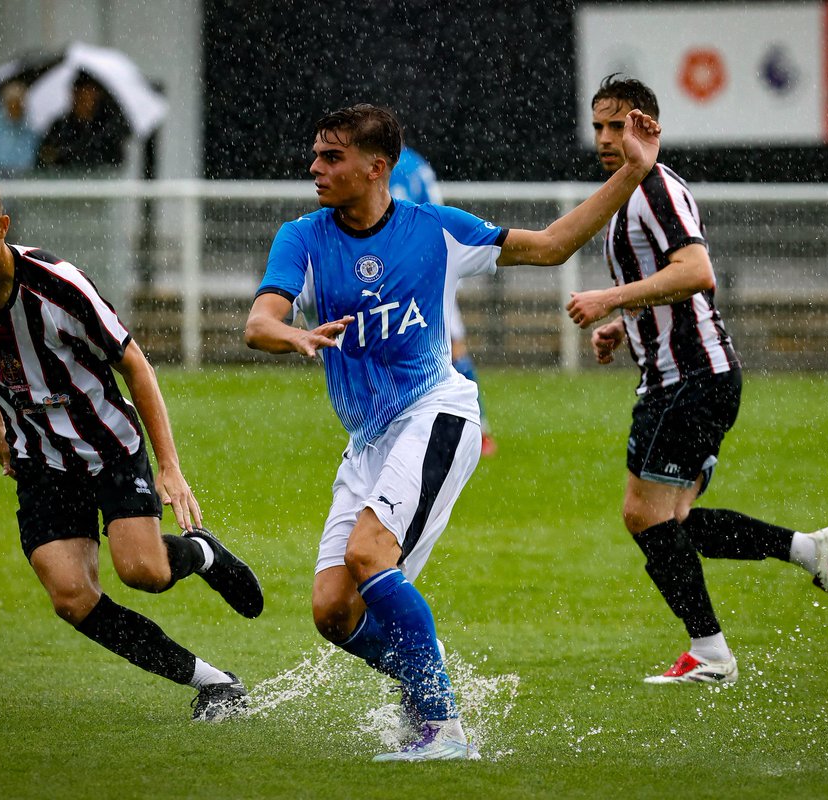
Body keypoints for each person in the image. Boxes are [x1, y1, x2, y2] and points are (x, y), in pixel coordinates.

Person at [244, 103, 660, 760]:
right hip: (368, 442)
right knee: (333, 610)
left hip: (438, 413)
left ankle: (441, 728)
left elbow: (551, 246)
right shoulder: (302, 237)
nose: (315, 168)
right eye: (316, 154)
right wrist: (290, 331)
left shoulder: (437, 230)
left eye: (332, 157)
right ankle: (424, 664)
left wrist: (632, 173)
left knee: (369, 555)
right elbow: (259, 320)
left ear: (376, 167)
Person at [0, 171, 264, 721]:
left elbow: (135, 364)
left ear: (1, 227)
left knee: (143, 573)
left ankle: (200, 552)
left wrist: (170, 468)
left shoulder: (60, 286)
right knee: (73, 598)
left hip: (108, 446)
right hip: (40, 458)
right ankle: (216, 684)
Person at [565, 75, 828, 686]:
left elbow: (699, 272)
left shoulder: (656, 189)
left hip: (691, 378)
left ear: (646, 125)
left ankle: (711, 653)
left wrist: (608, 300)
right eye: (598, 125)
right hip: (684, 377)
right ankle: (809, 549)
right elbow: (671, 285)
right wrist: (624, 325)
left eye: (616, 124)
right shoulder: (626, 194)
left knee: (643, 518)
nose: (603, 137)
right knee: (669, 522)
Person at [390, 145, 497, 456]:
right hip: (427, 269)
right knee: (449, 348)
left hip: (413, 273)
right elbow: (434, 209)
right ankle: (471, 428)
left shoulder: (384, 163)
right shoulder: (413, 163)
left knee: (446, 348)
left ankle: (471, 427)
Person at [36, 73, 130, 174]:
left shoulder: (108, 125)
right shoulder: (60, 125)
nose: (85, 99)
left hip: (101, 182)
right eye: (81, 94)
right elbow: (45, 157)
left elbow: (114, 158)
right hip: (67, 182)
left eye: (89, 94)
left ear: (96, 96)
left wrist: (66, 152)